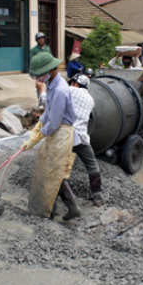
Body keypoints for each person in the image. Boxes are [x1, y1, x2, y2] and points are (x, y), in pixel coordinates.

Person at [20, 52, 82, 220]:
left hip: (61, 133)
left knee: (53, 172)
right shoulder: (51, 83)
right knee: (51, 172)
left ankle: (70, 207)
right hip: (55, 131)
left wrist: (36, 138)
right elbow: (48, 112)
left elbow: (54, 122)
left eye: (39, 74)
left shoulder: (60, 90)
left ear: (51, 69)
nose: (38, 78)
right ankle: (52, 208)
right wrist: (36, 129)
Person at [67, 74, 104, 206]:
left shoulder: (71, 90)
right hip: (81, 137)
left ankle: (65, 199)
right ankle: (98, 196)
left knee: (61, 167)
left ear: (76, 83)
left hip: (66, 136)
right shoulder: (90, 99)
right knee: (92, 165)